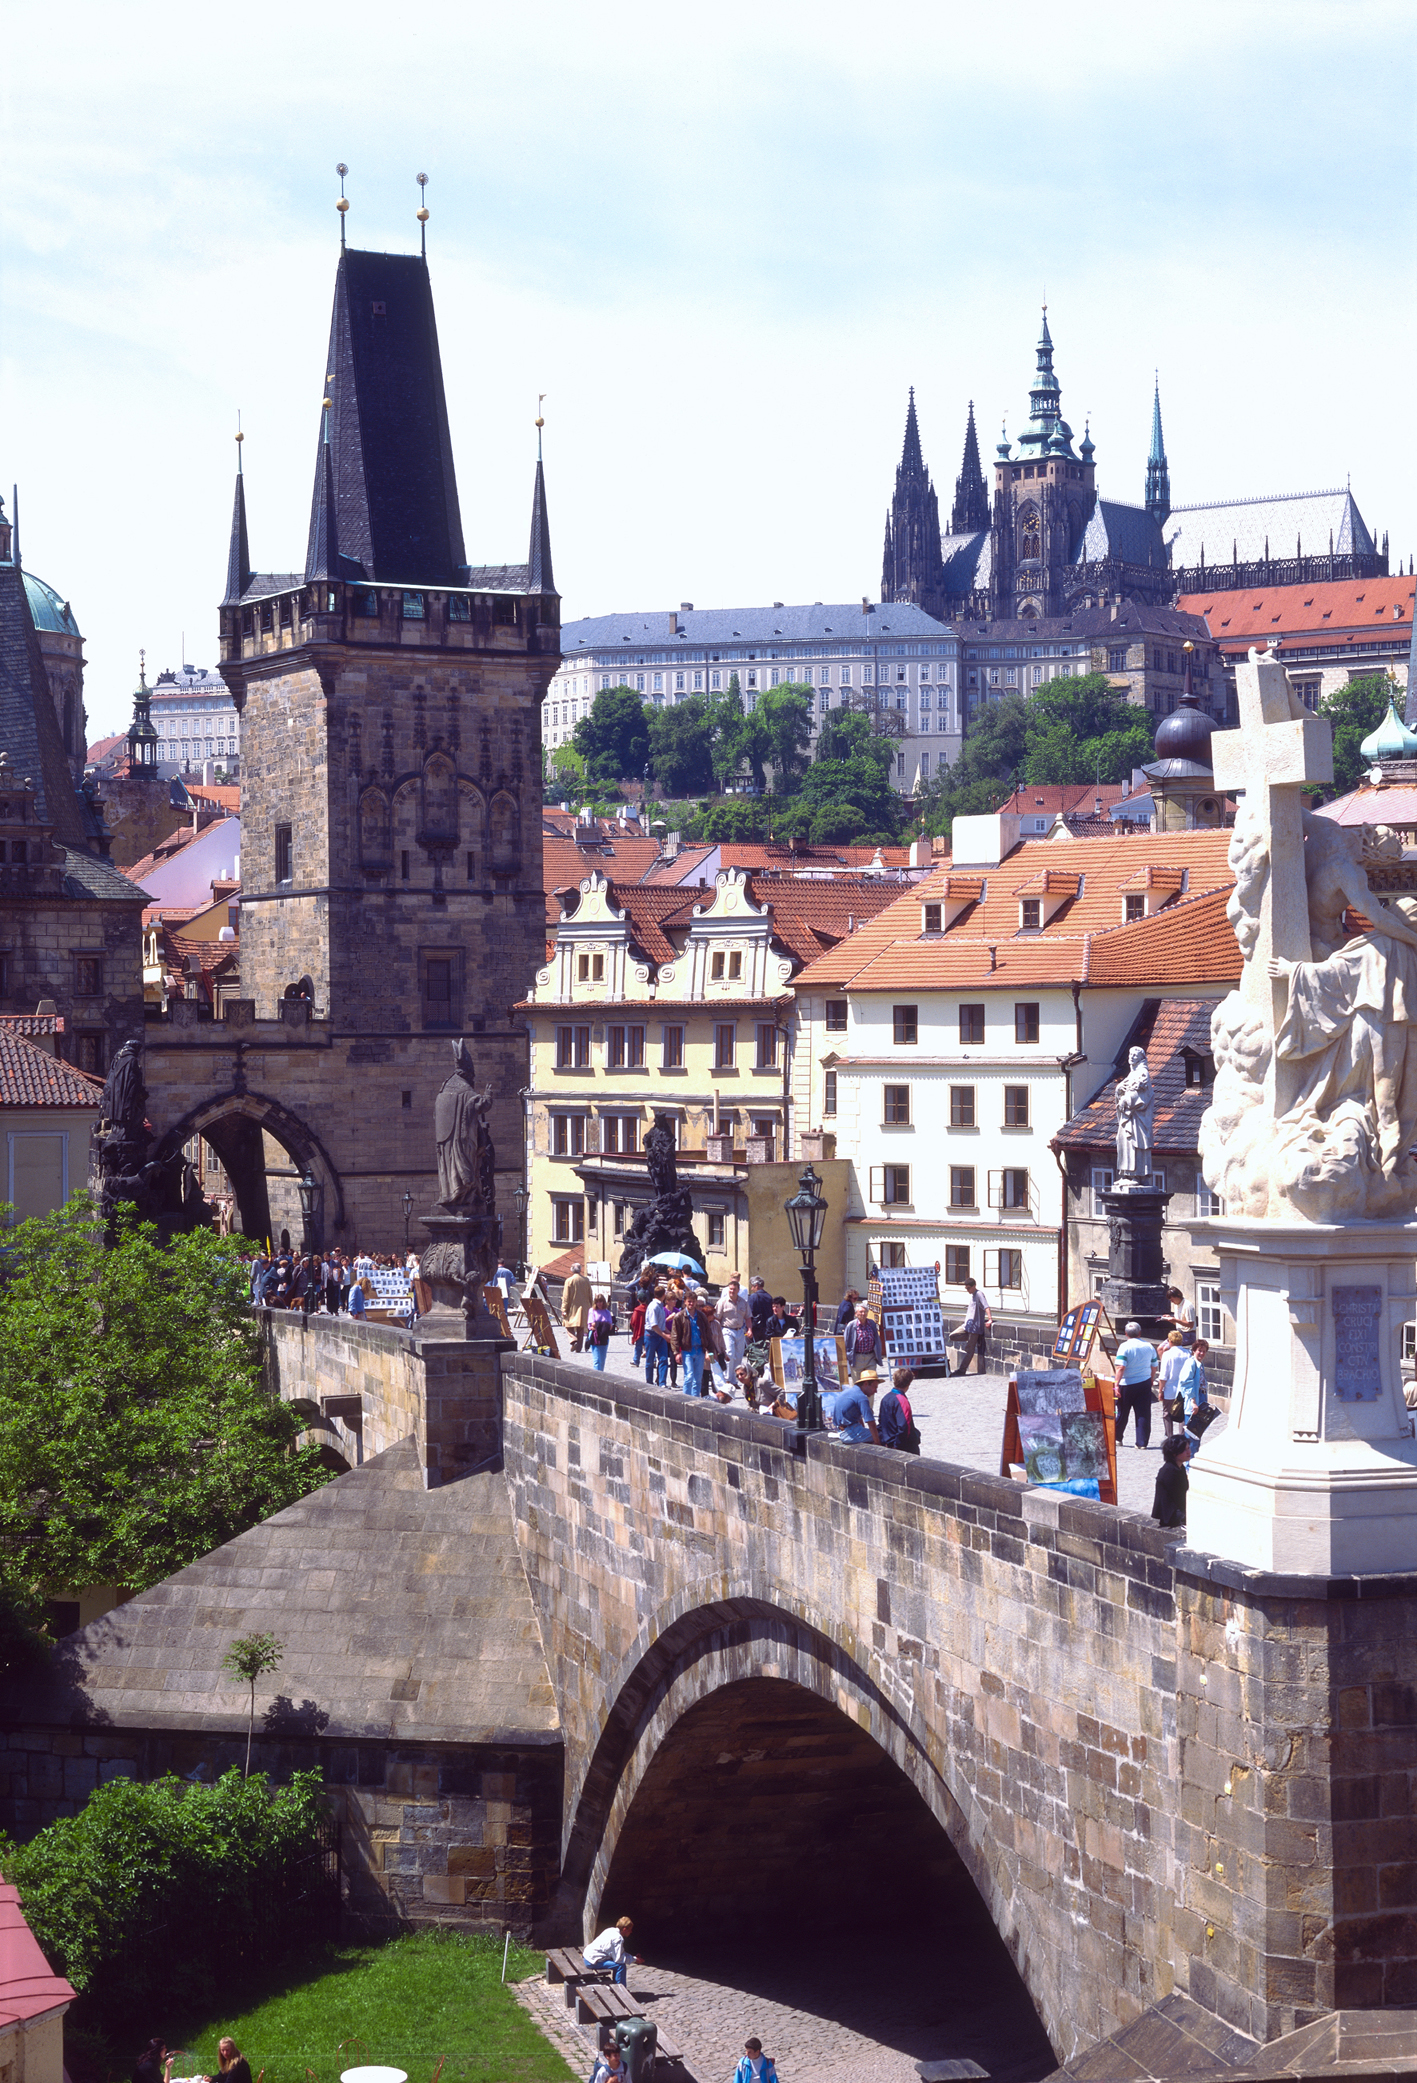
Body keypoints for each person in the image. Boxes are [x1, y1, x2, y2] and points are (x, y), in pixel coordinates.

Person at [1115, 1321, 1160, 1448]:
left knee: (1122, 1412)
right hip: (1144, 1382)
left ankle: (1117, 1438)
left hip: (1127, 1383)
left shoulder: (1124, 1347)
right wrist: (1151, 1378)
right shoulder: (1149, 1346)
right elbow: (1154, 1366)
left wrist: (1116, 1384)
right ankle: (1142, 1442)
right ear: (1140, 1333)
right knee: (1143, 1413)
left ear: (1125, 1334)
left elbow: (1120, 1367)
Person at [672, 1290, 724, 1396]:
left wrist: (711, 1350)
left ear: (696, 1302)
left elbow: (708, 1335)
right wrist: (676, 1352)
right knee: (689, 1376)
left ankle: (695, 1399)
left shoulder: (701, 1316)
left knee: (698, 1379)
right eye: (689, 1301)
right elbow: (675, 1336)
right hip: (687, 1350)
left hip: (700, 1350)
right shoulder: (679, 1316)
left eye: (693, 1301)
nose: (691, 1304)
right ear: (685, 1302)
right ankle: (685, 1399)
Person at [583, 1914, 638, 1986]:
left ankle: (616, 1985)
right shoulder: (618, 1939)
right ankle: (620, 1989)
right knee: (620, 1966)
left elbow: (619, 1953)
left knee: (616, 1963)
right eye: (630, 1930)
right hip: (591, 1961)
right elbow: (619, 1959)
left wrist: (633, 1957)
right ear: (624, 1929)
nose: (631, 1932)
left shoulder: (610, 1930)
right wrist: (635, 1960)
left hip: (588, 1956)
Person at [716, 1276, 751, 1386]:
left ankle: (734, 1380)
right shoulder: (722, 1302)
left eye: (734, 1289)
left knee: (739, 1356)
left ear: (738, 1290)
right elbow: (717, 1318)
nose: (732, 1291)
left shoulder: (743, 1303)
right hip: (727, 1330)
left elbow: (748, 1317)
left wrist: (750, 1329)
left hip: (740, 1331)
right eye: (730, 1289)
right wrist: (717, 1333)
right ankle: (727, 1379)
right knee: (730, 1354)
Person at [951, 1278, 990, 1375]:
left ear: (974, 1286)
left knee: (970, 1350)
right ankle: (970, 1339)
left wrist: (990, 1319)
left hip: (974, 1328)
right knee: (952, 1336)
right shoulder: (973, 1295)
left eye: (968, 1288)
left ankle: (962, 1370)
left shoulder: (979, 1294)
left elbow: (986, 1306)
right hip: (967, 1326)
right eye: (966, 1288)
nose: (967, 1290)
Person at [878, 1366, 921, 1453]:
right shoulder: (902, 1400)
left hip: (887, 1443)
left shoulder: (886, 1398)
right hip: (902, 1447)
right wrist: (897, 1445)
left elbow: (881, 1421)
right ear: (909, 1383)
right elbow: (904, 1426)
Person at [831, 1368, 881, 1443]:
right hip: (849, 1433)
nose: (876, 1391)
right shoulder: (861, 1398)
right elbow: (871, 1423)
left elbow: (859, 1418)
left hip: (842, 1430)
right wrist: (878, 1444)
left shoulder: (851, 1391)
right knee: (882, 1435)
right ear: (866, 1384)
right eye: (875, 1387)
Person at [1157, 1329, 1190, 1438]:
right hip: (1184, 1389)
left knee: (1167, 1414)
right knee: (1183, 1414)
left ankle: (1170, 1437)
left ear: (1170, 1341)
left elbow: (1163, 1376)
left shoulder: (1167, 1354)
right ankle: (1182, 1437)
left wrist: (1160, 1390)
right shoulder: (1188, 1353)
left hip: (1170, 1389)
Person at [1152, 1434, 1190, 1527]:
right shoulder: (1169, 1471)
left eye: (1188, 1448)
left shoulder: (1180, 1468)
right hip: (1171, 1515)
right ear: (1174, 1453)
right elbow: (1176, 1496)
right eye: (1184, 1450)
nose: (1189, 1452)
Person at [1180, 1339, 1213, 1439]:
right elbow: (1186, 1383)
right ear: (1194, 1350)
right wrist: (1193, 1402)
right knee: (1191, 1434)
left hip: (1201, 1397)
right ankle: (1190, 1450)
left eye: (1204, 1351)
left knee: (1197, 1432)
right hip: (1193, 1399)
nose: (1202, 1353)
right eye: (1199, 1350)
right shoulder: (1191, 1363)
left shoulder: (1200, 1364)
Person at [844, 1303, 882, 1382]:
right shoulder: (851, 1325)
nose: (863, 1314)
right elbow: (846, 1341)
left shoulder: (872, 1323)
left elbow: (877, 1339)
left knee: (871, 1382)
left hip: (870, 1357)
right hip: (857, 1358)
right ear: (856, 1314)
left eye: (865, 1311)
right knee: (857, 1383)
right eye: (861, 1312)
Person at [643, 1286, 671, 1387]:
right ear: (663, 1295)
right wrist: (665, 1336)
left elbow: (661, 1324)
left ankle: (662, 1383)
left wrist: (669, 1333)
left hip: (660, 1334)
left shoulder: (661, 1306)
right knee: (650, 1361)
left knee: (663, 1359)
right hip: (651, 1334)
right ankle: (649, 1383)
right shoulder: (653, 1306)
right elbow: (654, 1325)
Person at [562, 1263, 593, 1352]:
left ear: (572, 1270)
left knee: (568, 1324)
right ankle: (578, 1348)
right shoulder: (586, 1280)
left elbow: (566, 1297)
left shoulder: (569, 1281)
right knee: (580, 1327)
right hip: (584, 1307)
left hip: (572, 1307)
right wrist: (592, 1306)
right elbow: (590, 1295)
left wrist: (564, 1309)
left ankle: (573, 1340)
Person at [587, 1294, 615, 1372]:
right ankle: (596, 1375)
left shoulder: (607, 1312)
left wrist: (598, 1324)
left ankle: (601, 1374)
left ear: (603, 1302)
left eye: (601, 1302)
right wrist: (603, 1325)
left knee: (602, 1360)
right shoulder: (592, 1311)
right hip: (595, 1336)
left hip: (604, 1336)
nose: (599, 1303)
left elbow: (610, 1326)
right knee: (596, 1360)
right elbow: (592, 1324)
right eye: (597, 1302)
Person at [747, 1275, 774, 1342]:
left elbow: (749, 1313)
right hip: (766, 1327)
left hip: (755, 1328)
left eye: (752, 1286)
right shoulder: (769, 1296)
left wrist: (749, 1328)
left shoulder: (753, 1297)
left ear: (756, 1286)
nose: (751, 1289)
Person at [629, 1294, 648, 1370]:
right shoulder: (648, 1308)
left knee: (638, 1347)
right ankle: (653, 1360)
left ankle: (636, 1360)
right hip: (648, 1331)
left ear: (638, 1300)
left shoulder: (637, 1310)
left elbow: (633, 1321)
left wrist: (633, 1327)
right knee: (649, 1347)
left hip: (640, 1331)